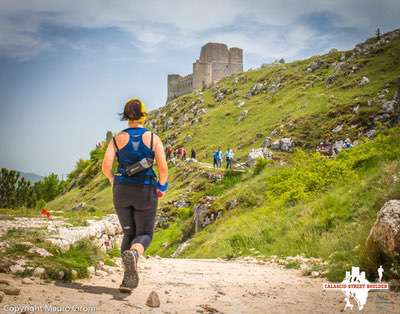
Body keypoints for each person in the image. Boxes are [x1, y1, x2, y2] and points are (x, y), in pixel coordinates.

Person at [101, 98, 168, 293]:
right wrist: (162, 187)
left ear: (126, 116)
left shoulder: (116, 139)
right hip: (145, 191)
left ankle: (127, 279)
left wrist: (114, 181)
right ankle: (135, 254)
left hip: (121, 191)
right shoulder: (153, 138)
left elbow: (105, 167)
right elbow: (163, 169)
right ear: (144, 115)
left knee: (129, 233)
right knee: (144, 234)